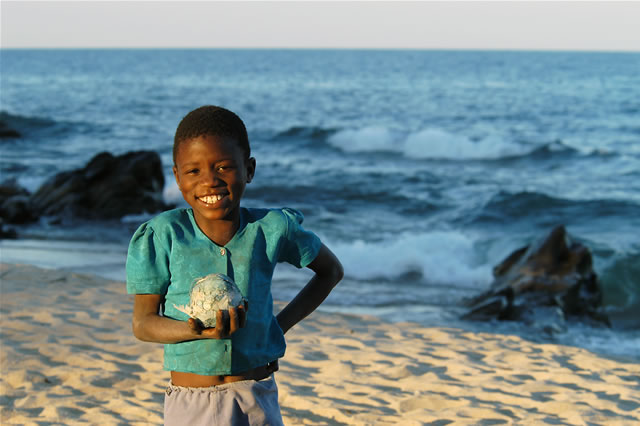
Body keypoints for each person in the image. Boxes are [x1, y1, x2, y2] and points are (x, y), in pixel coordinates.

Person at [126, 105, 343, 425]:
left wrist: (276, 327)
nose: (209, 181)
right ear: (176, 175)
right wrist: (195, 330)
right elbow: (143, 323)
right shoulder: (163, 235)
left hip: (256, 396)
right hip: (192, 403)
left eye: (224, 167)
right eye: (193, 171)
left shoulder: (272, 228)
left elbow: (330, 272)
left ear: (249, 169)